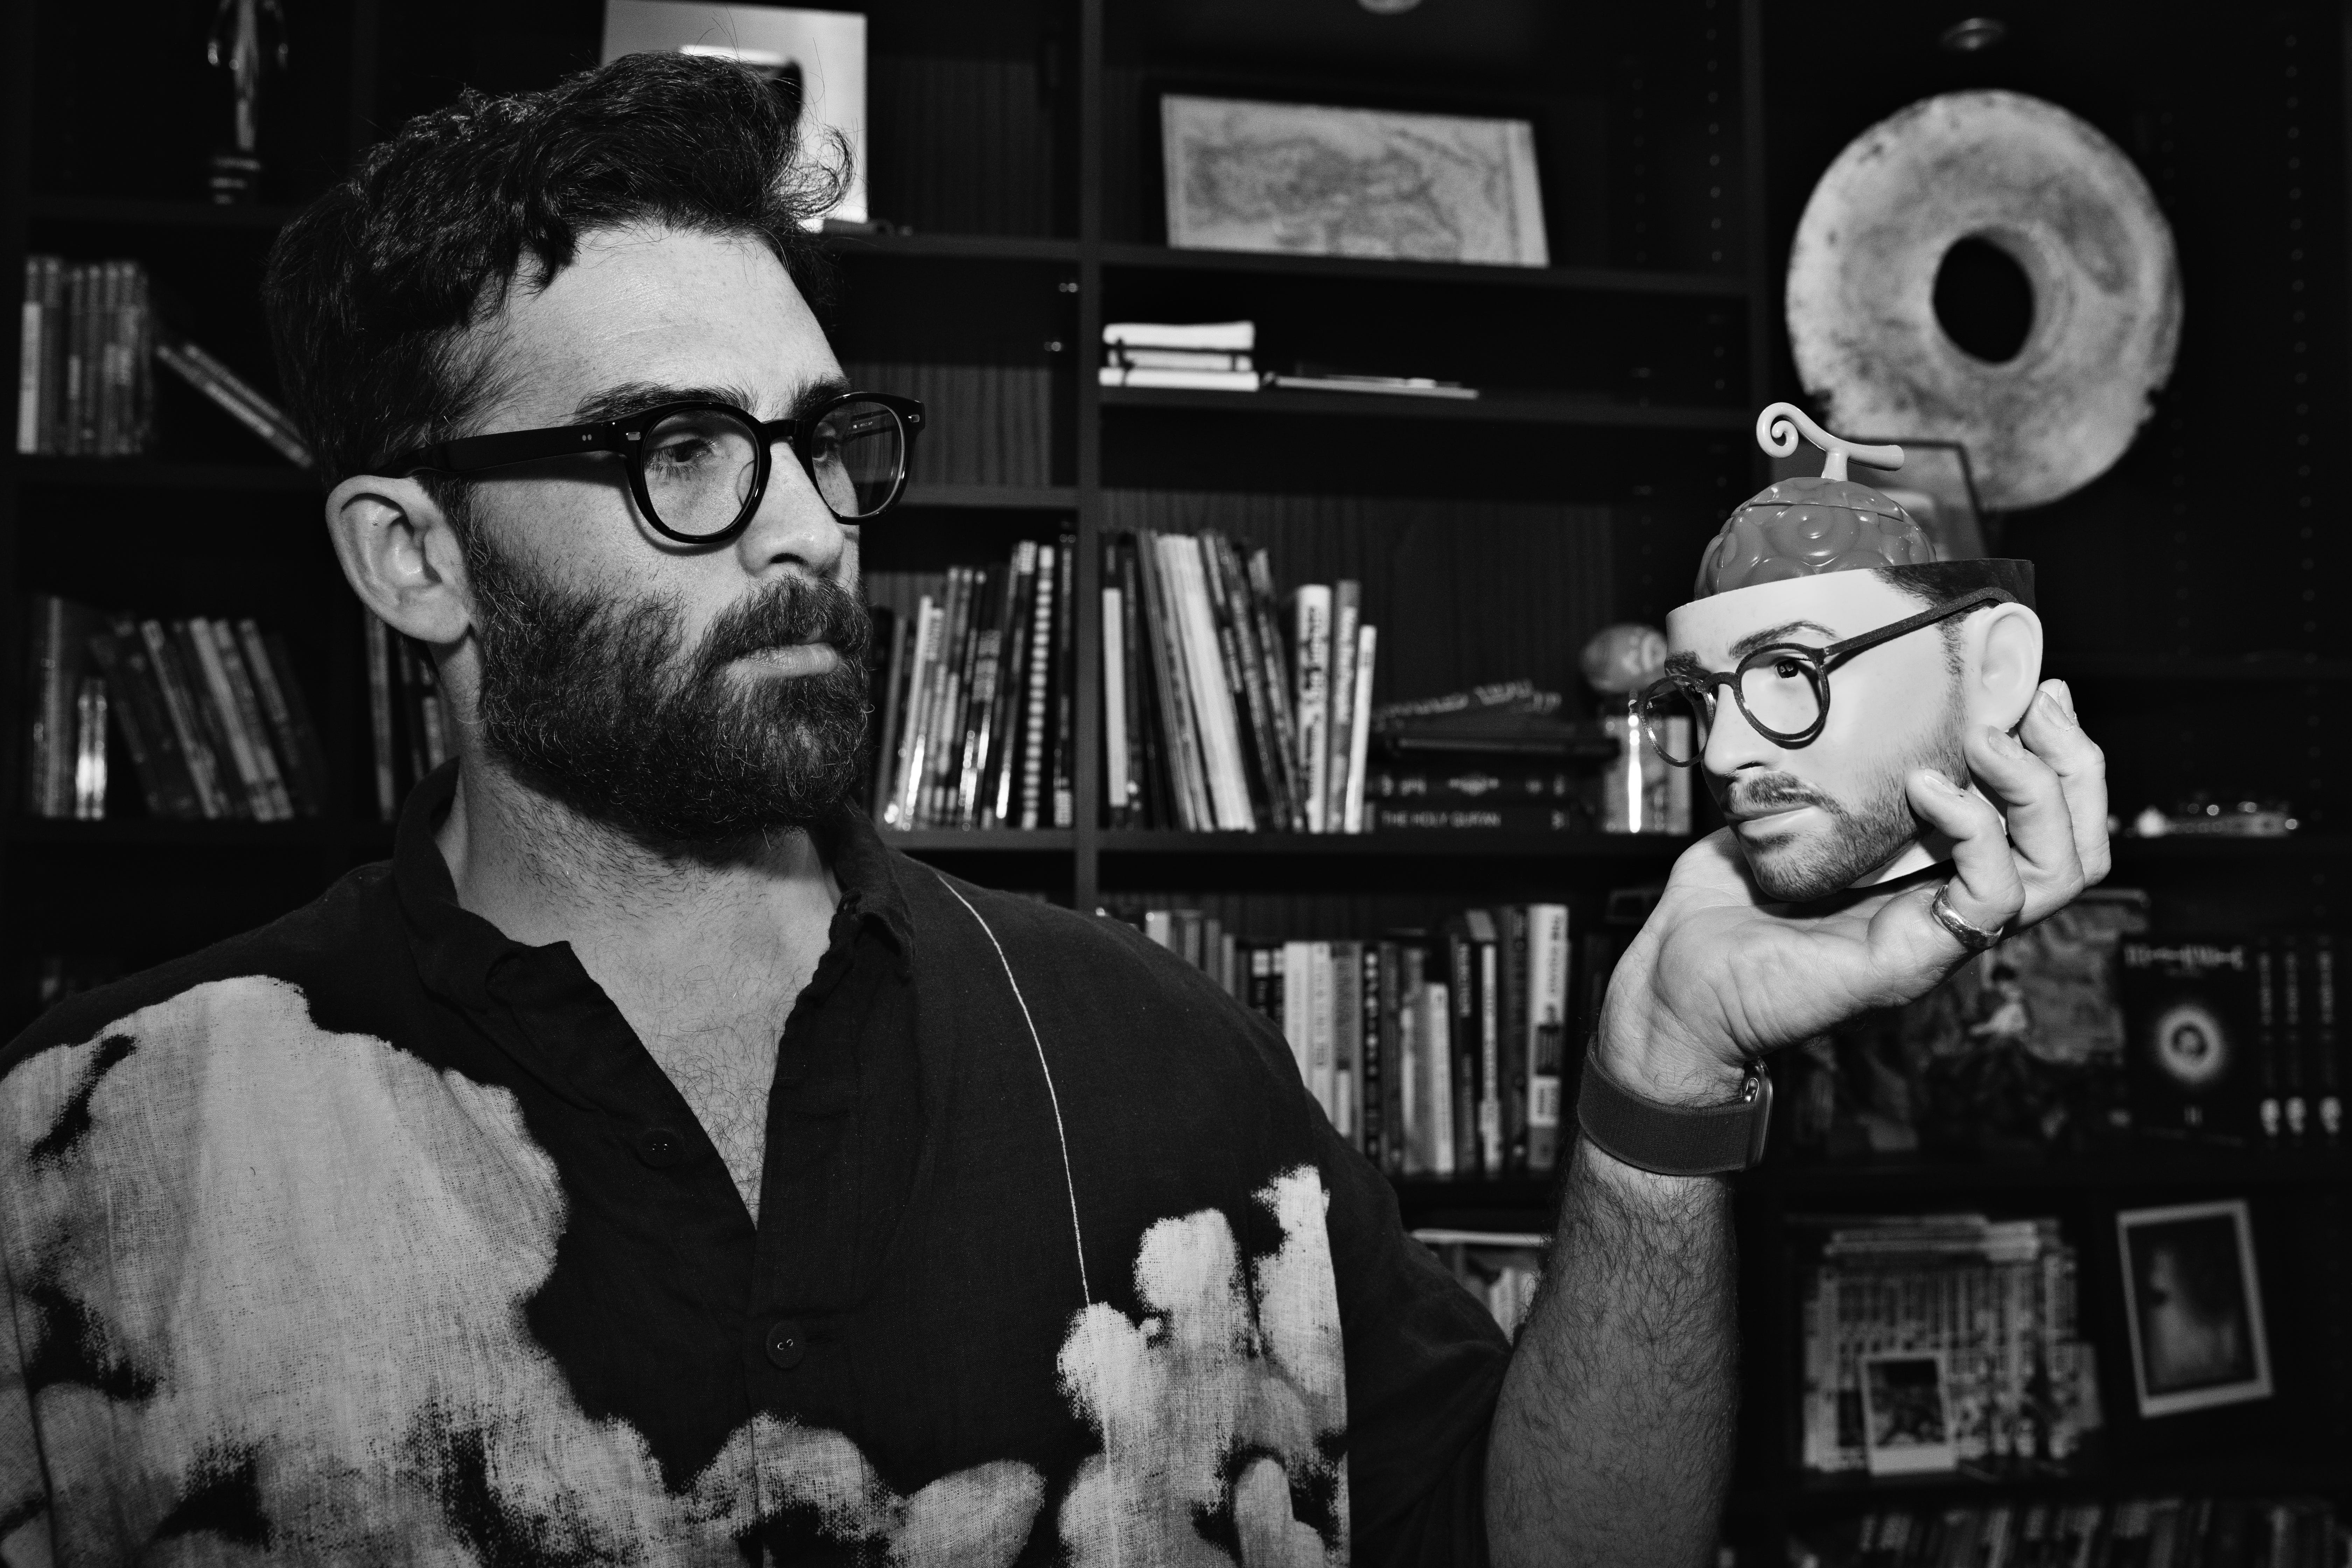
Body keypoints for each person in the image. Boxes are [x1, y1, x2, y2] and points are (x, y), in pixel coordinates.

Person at [0, 54, 2110, 1568]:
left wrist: (1662, 1091)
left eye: (825, 441)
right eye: (678, 455)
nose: (811, 528)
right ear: (412, 559)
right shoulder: (83, 1162)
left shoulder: (1161, 1055)